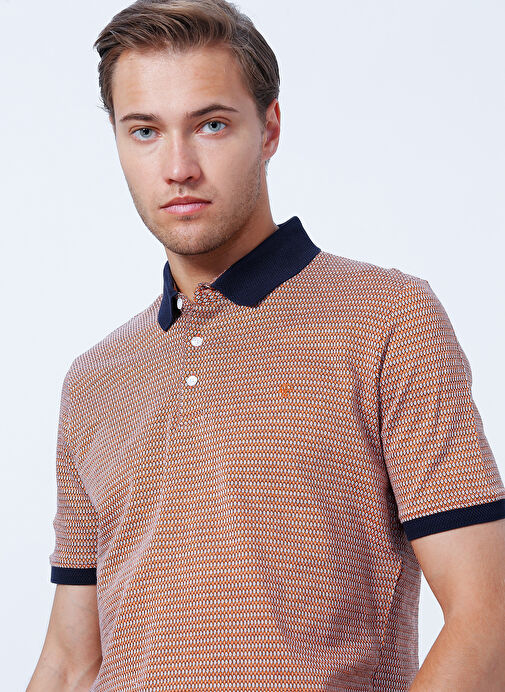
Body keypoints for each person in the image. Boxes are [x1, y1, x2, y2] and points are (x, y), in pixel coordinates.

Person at [27, 1, 505, 690]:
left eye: (211, 124)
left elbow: (486, 616)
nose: (178, 167)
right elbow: (72, 662)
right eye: (145, 131)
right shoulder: (94, 379)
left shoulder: (386, 318)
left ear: (269, 128)